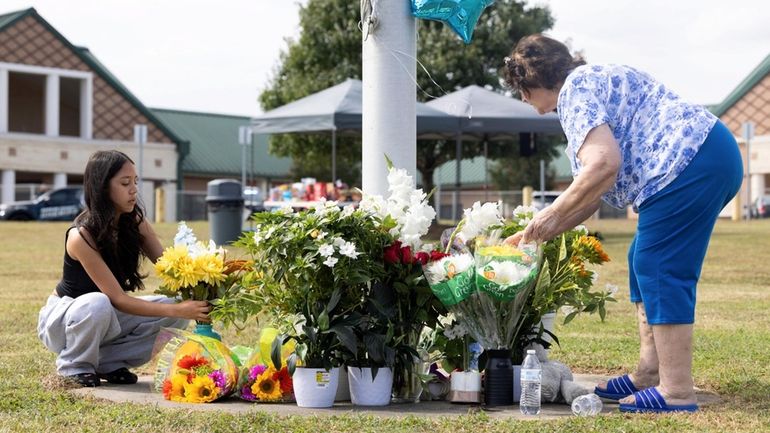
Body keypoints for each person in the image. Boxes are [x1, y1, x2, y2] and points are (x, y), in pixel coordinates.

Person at [502, 34, 742, 413]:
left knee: (659, 264)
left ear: (531, 81)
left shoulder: (575, 92)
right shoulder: (589, 84)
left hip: (688, 163)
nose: (523, 100)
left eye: (521, 90)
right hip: (706, 155)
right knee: (641, 259)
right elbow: (592, 193)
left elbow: (603, 165)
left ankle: (676, 390)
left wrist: (548, 214)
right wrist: (540, 229)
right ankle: (650, 373)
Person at [37, 150, 211, 387]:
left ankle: (107, 362)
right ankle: (73, 366)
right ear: (102, 187)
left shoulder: (135, 223)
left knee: (172, 307)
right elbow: (117, 299)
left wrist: (207, 279)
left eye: (135, 182)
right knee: (100, 302)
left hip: (105, 313)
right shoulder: (81, 236)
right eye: (125, 183)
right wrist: (181, 310)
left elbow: (169, 267)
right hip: (65, 320)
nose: (134, 189)